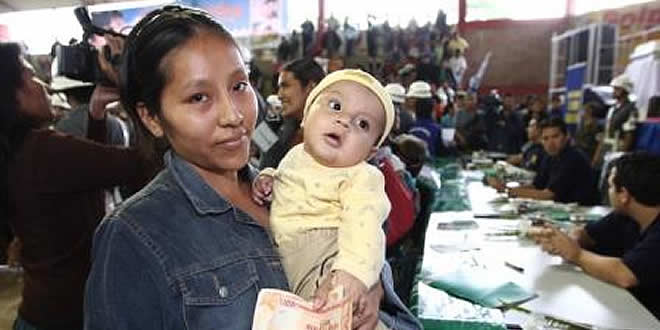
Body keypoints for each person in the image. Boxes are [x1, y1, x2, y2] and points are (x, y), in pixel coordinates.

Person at [83, 6, 420, 330]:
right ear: (151, 118)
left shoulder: (294, 187)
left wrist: (371, 292)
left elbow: (403, 321)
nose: (233, 116)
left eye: (239, 86)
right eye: (199, 97)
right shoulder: (133, 237)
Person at [1, 41, 150, 330]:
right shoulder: (41, 150)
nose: (43, 86)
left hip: (43, 310)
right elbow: (138, 165)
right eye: (31, 77)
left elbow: (87, 175)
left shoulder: (18, 151)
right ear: (11, 96)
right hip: (69, 316)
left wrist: (95, 113)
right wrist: (137, 96)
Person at [252, 70, 395, 329]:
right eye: (335, 106)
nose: (344, 121)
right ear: (306, 116)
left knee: (338, 317)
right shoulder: (296, 154)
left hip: (326, 258)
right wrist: (270, 178)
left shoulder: (362, 176)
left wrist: (352, 273)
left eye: (363, 124)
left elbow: (364, 225)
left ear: (370, 150)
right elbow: (289, 179)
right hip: (289, 258)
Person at [528, 152, 660, 319]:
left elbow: (625, 275)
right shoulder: (625, 216)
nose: (609, 192)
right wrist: (565, 242)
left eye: (611, 186)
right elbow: (586, 234)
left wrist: (576, 254)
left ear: (624, 195)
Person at [508, 117, 598, 205]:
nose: (550, 143)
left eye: (555, 137)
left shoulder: (572, 158)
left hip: (582, 212)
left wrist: (512, 192)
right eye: (545, 138)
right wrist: (508, 188)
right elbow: (537, 185)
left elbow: (549, 195)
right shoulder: (550, 156)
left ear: (567, 136)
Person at [259, 57, 325, 169]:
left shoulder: (331, 132)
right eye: (279, 88)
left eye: (285, 86)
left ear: (311, 87)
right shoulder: (280, 125)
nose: (279, 95)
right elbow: (265, 168)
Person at [592, 74, 638, 168]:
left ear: (625, 90)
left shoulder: (631, 109)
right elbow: (606, 132)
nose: (614, 91)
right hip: (606, 150)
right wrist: (597, 155)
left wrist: (621, 158)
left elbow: (629, 136)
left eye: (617, 89)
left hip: (618, 150)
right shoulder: (612, 109)